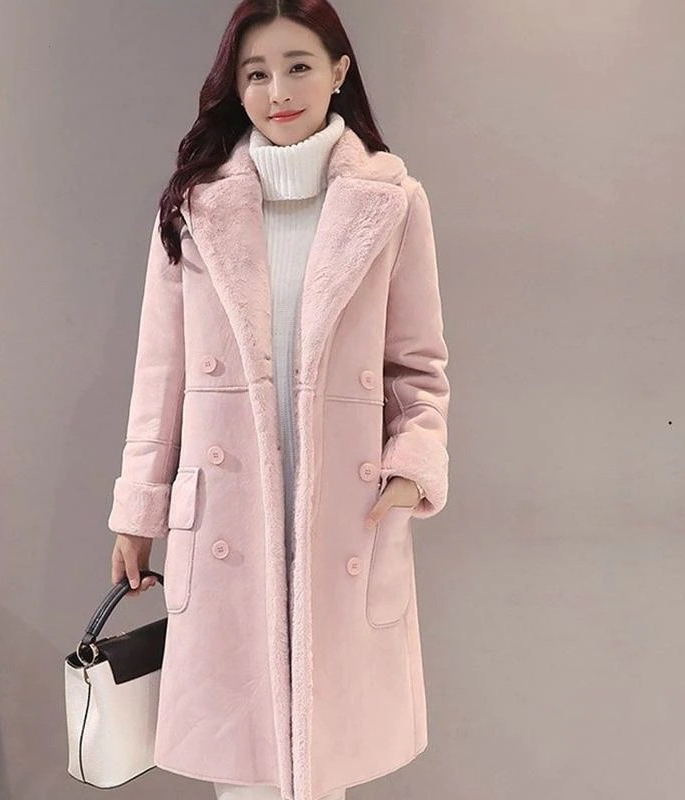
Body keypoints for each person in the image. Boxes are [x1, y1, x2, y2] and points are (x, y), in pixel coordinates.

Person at [107, 2, 450, 799]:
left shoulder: (393, 204)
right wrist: (138, 509)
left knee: (324, 756)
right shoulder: (194, 209)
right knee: (243, 762)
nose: (278, 91)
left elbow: (418, 367)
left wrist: (410, 470)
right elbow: (159, 376)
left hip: (344, 510)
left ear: (339, 71)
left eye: (299, 66)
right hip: (228, 510)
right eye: (256, 73)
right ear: (236, 86)